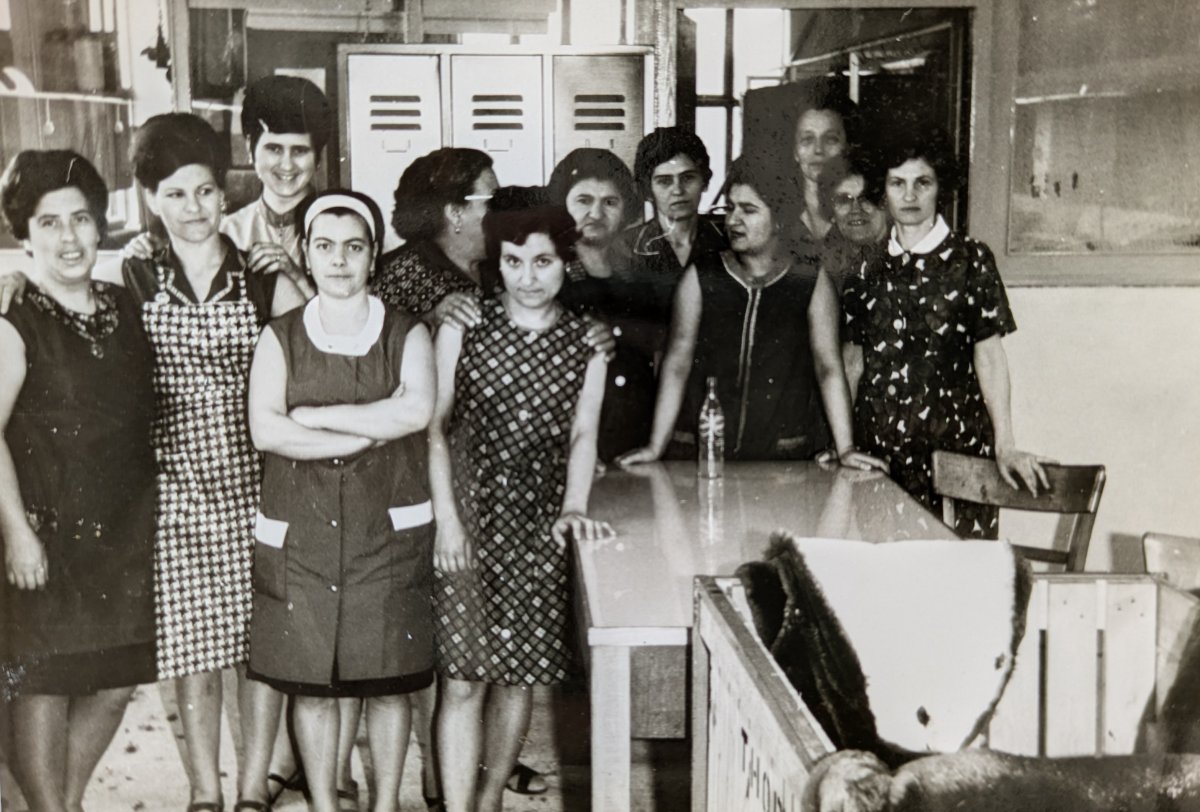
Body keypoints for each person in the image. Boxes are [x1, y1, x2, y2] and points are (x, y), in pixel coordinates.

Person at [122, 113, 306, 812]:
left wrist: (294, 277)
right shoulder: (136, 271)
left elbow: (320, 353)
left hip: (257, 485)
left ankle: (254, 786)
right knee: (191, 650)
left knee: (260, 649)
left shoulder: (257, 273)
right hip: (172, 488)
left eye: (203, 191)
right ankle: (205, 790)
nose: (193, 208)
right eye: (174, 194)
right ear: (150, 199)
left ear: (224, 191)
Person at [246, 190, 435, 812]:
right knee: (313, 687)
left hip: (386, 533)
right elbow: (266, 430)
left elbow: (416, 411)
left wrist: (317, 418)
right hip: (302, 534)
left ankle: (385, 804)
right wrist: (369, 430)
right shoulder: (279, 336)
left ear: (373, 255)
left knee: (388, 684)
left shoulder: (407, 332)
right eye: (324, 246)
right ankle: (326, 805)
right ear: (305, 252)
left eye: (354, 247)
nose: (339, 260)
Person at [430, 188, 612, 812]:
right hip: (469, 516)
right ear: (496, 262)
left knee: (518, 677)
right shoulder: (466, 325)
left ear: (566, 262)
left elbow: (584, 433)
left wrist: (575, 506)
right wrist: (448, 521)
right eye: (513, 262)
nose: (528, 278)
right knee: (462, 680)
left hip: (538, 525)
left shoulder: (587, 344)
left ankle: (487, 803)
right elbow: (435, 428)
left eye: (542, 262)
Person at [0, 150, 157, 812]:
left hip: (123, 531)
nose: (69, 238)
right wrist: (17, 533)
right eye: (49, 223)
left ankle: (60, 804)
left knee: (116, 681)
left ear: (100, 225)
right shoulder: (14, 322)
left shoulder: (125, 303)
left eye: (81, 219)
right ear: (25, 236)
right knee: (44, 682)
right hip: (45, 534)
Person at [842, 130, 1049, 539]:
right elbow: (852, 362)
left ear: (941, 187)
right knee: (886, 573)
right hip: (880, 462)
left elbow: (989, 357)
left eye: (923, 182)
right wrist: (843, 443)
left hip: (957, 459)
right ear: (882, 191)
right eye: (897, 183)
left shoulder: (972, 259)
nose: (910, 195)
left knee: (959, 571)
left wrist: (1005, 444)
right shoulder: (864, 268)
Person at [617, 156, 883, 469]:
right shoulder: (702, 275)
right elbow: (676, 363)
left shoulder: (810, 280)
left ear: (779, 219)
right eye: (730, 208)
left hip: (781, 459)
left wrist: (846, 448)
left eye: (749, 210)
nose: (733, 220)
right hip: (701, 451)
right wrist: (655, 446)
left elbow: (828, 367)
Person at [122, 75, 331, 301]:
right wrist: (143, 251)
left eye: (300, 151)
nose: (287, 165)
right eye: (274, 149)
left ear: (318, 157)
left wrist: (297, 279)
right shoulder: (224, 230)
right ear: (250, 148)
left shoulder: (341, 229)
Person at [548, 148, 657, 461]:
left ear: (625, 211)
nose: (595, 213)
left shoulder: (639, 275)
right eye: (583, 201)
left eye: (610, 202)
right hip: (572, 445)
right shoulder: (547, 274)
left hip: (635, 441)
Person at [373, 147, 498, 330]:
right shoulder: (398, 277)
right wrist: (430, 321)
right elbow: (380, 341)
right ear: (455, 213)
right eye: (492, 202)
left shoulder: (508, 261)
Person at [624, 127, 727, 323]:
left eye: (688, 178)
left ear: (705, 181)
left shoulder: (726, 244)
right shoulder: (626, 248)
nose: (678, 190)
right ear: (648, 189)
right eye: (664, 181)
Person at [790, 82, 860, 270]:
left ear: (847, 146)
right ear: (795, 151)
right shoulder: (779, 219)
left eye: (831, 139)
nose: (818, 150)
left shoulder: (863, 215)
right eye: (807, 139)